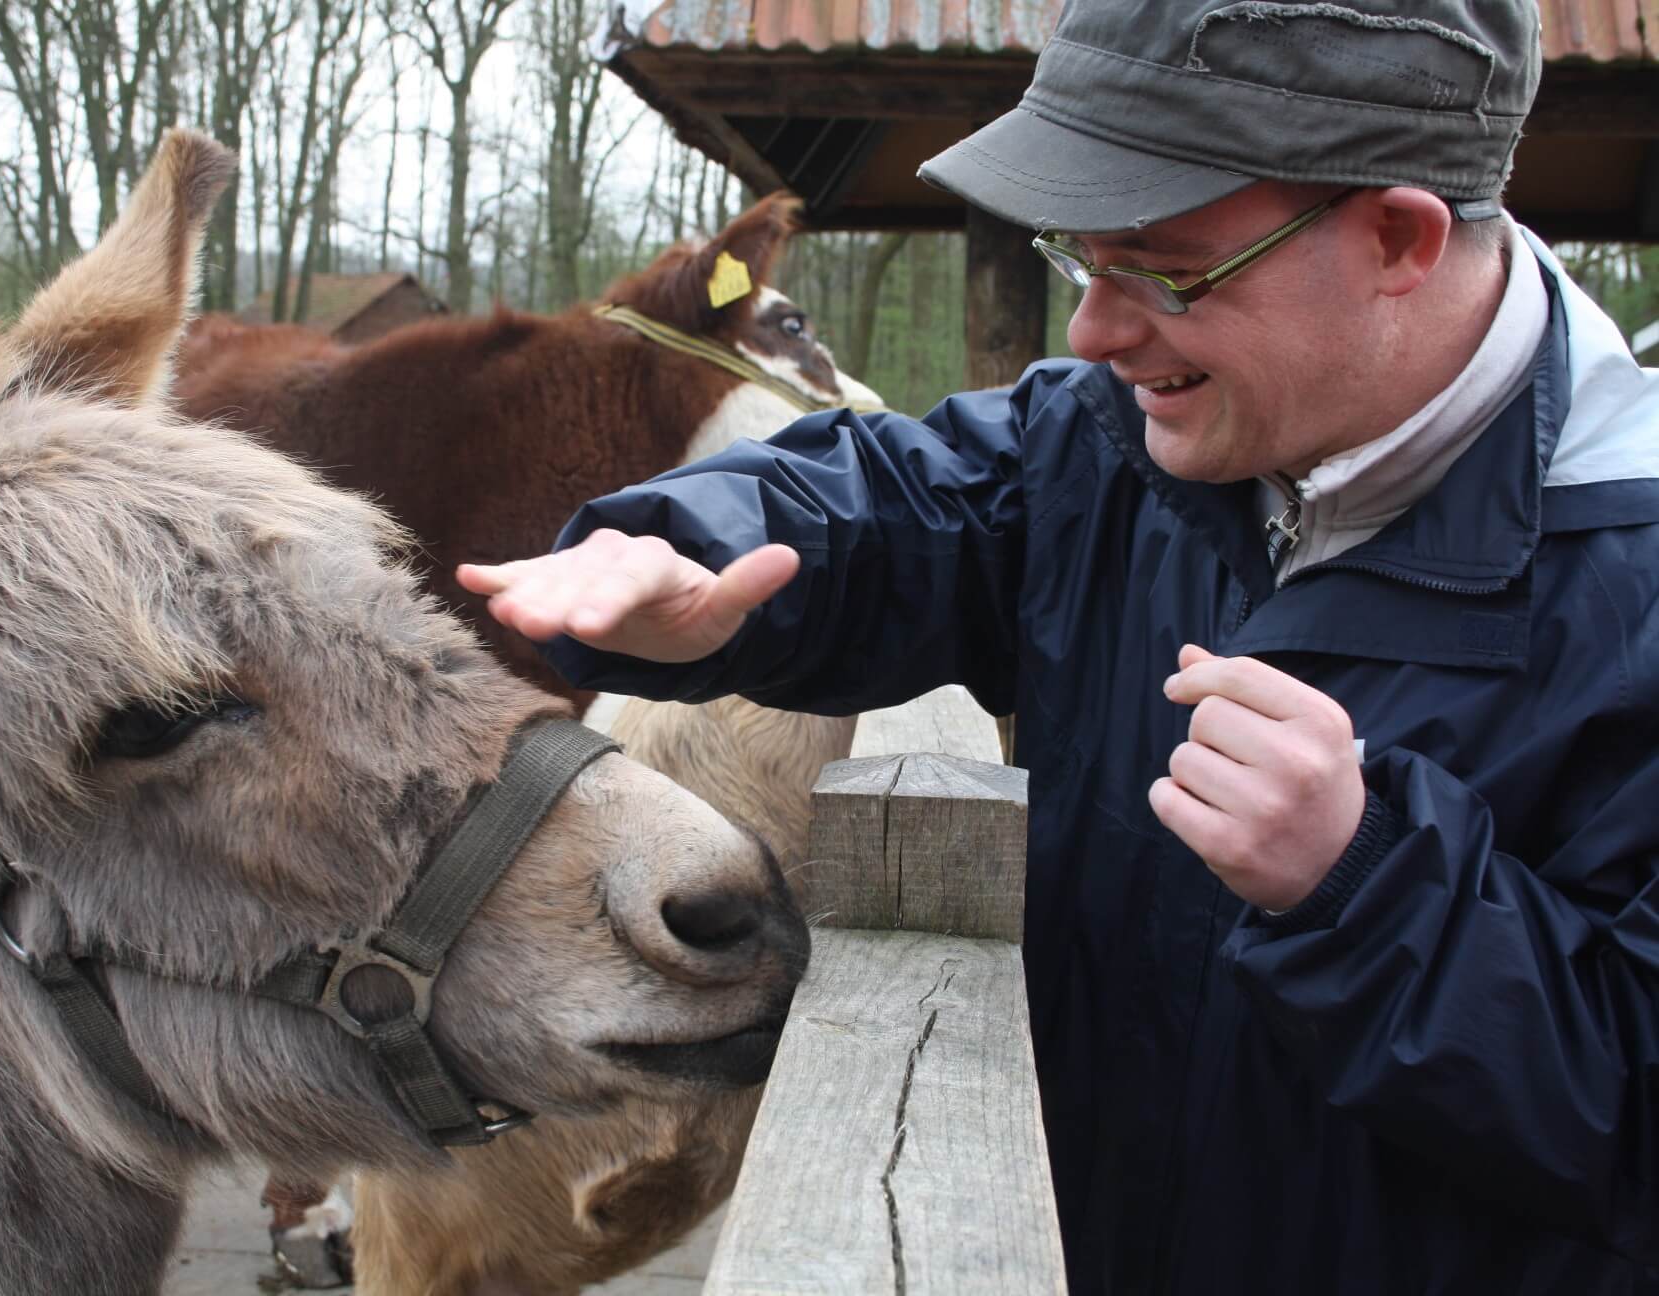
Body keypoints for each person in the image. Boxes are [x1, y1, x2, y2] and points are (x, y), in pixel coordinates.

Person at [459, 2, 1659, 1292]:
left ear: (1399, 238)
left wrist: (1364, 888)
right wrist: (695, 554)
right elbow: (904, 500)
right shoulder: (1109, 443)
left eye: (1163, 266)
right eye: (1076, 258)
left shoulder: (1630, 588)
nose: (1093, 330)